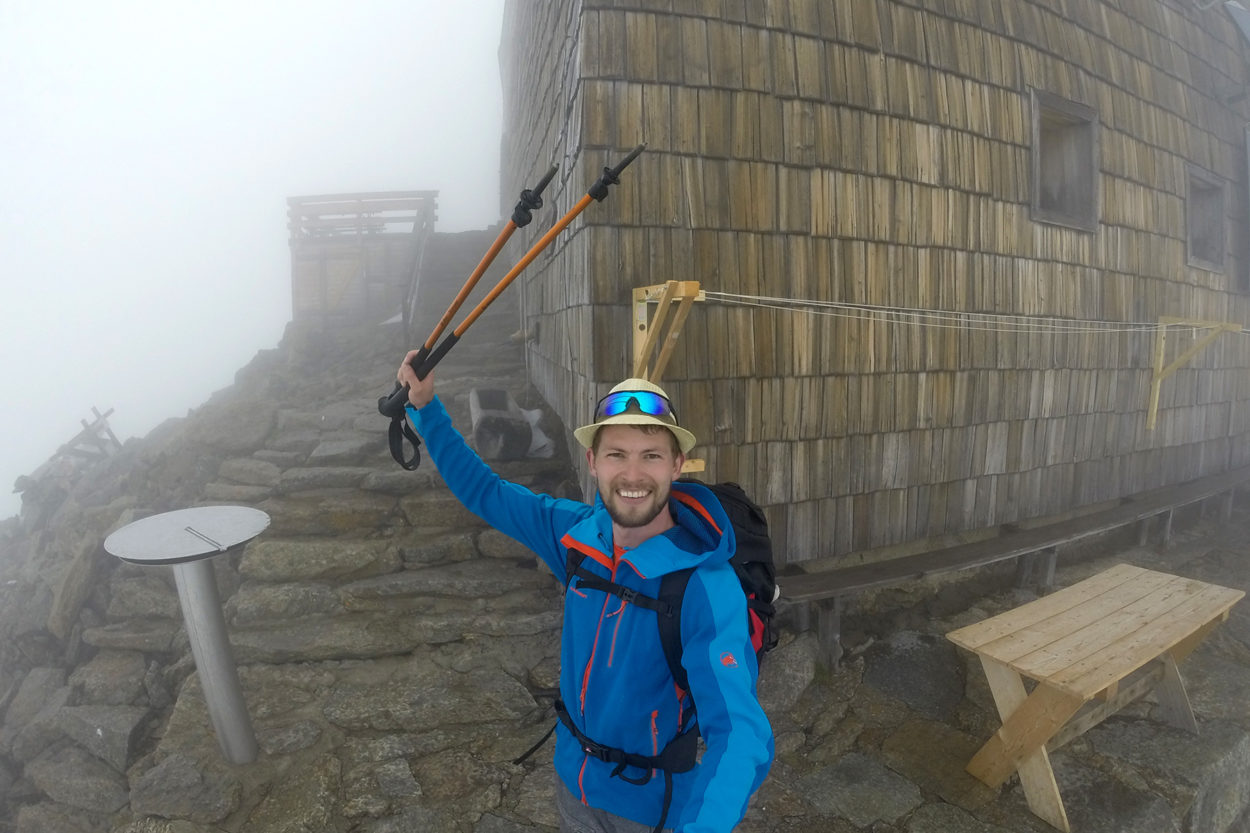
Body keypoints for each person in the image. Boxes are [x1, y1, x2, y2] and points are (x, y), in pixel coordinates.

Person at [398, 353, 773, 833]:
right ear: (593, 463)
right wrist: (426, 408)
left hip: (651, 811)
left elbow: (740, 736)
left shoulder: (705, 587)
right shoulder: (576, 537)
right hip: (571, 785)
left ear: (676, 465)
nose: (633, 475)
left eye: (651, 455)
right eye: (617, 454)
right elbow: (487, 493)